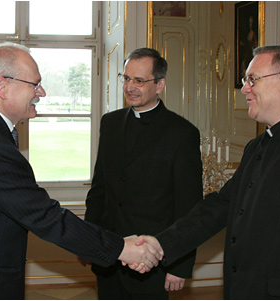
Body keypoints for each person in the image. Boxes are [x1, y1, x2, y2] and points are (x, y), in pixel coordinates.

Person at [0, 43, 163, 300]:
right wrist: (121, 248)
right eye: (34, 85)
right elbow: (45, 216)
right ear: (2, 86)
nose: (42, 92)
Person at [137, 45, 280, 299]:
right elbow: (221, 206)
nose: (244, 88)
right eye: (246, 81)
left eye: (252, 79)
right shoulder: (258, 145)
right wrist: (161, 243)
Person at [79, 48, 203, 299]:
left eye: (139, 80)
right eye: (126, 78)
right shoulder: (110, 123)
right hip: (109, 255)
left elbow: (188, 207)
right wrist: (88, 241)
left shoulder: (182, 133)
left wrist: (180, 265)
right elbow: (99, 188)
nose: (130, 87)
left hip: (152, 260)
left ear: (160, 85)